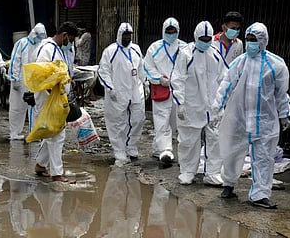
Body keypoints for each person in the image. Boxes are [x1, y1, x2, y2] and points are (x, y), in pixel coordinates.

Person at [211, 22, 290, 209]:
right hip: (239, 119)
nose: (250, 43)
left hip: (265, 121)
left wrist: (284, 114)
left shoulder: (276, 65)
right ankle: (229, 184)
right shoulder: (240, 62)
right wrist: (217, 108)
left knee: (264, 158)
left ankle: (260, 195)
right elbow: (226, 85)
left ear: (263, 41)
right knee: (232, 153)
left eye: (253, 40)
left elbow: (281, 93)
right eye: (248, 39)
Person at [171, 21, 228, 185]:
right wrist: (180, 103)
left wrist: (221, 102)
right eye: (202, 38)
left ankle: (212, 173)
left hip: (212, 107)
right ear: (196, 37)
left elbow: (224, 77)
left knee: (216, 139)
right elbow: (178, 78)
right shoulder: (186, 54)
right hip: (191, 106)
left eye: (208, 38)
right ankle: (188, 171)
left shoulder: (215, 54)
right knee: (189, 140)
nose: (205, 41)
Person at [33, 21, 79, 182]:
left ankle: (40, 164)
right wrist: (54, 94)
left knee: (50, 134)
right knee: (57, 135)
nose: (71, 44)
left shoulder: (54, 50)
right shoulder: (48, 49)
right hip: (50, 100)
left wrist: (67, 80)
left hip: (54, 98)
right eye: (71, 40)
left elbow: (56, 72)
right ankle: (57, 174)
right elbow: (41, 75)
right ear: (64, 36)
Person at [98, 22, 146, 167]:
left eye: (129, 35)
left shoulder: (136, 49)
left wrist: (146, 83)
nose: (127, 37)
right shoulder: (110, 51)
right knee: (117, 122)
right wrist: (110, 88)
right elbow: (103, 71)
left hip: (135, 90)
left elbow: (141, 68)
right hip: (117, 92)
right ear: (119, 35)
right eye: (125, 35)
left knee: (138, 119)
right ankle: (119, 150)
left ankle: (130, 145)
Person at [144, 17, 187, 166]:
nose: (170, 34)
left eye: (173, 31)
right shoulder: (154, 48)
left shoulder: (184, 48)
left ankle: (158, 147)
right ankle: (166, 150)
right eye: (168, 31)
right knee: (162, 121)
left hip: (179, 91)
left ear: (178, 31)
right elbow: (147, 67)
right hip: (162, 89)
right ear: (163, 31)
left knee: (175, 121)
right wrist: (158, 78)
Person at [8, 23, 47, 140]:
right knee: (17, 107)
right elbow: (15, 60)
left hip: (34, 81)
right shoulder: (22, 43)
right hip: (20, 81)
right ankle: (14, 133)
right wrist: (14, 78)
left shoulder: (42, 45)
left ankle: (33, 132)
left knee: (34, 107)